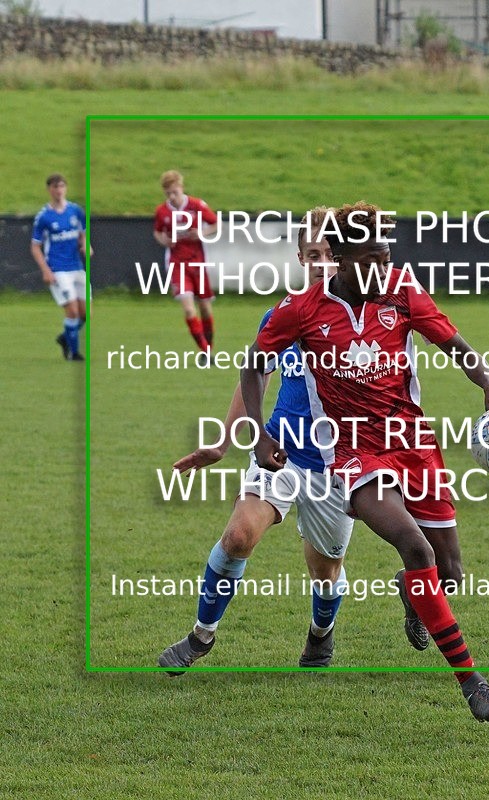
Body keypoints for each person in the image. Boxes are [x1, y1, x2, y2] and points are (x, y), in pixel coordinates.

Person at [243, 202, 489, 722]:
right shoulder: (302, 309)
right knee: (415, 547)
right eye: (372, 260)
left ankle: (412, 593)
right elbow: (254, 365)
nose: (383, 269)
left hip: (413, 445)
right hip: (352, 452)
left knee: (448, 572)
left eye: (386, 258)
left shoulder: (402, 290)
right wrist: (258, 433)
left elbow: (454, 343)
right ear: (342, 258)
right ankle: (473, 685)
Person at [159, 207, 354, 671]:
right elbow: (256, 375)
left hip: (337, 465)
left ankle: (320, 635)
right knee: (238, 536)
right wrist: (224, 442)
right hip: (279, 453)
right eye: (313, 255)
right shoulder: (282, 315)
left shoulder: (364, 319)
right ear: (300, 258)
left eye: (330, 254)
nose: (322, 264)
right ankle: (201, 635)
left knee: (325, 570)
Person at [153, 171, 219, 362]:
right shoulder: (162, 211)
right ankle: (205, 351)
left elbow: (215, 224)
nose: (172, 197)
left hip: (198, 263)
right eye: (168, 194)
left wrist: (201, 233)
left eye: (175, 192)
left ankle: (208, 350)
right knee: (189, 310)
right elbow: (157, 232)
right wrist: (164, 240)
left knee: (205, 308)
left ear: (181, 188)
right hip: (177, 265)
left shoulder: (196, 206)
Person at [30, 173, 88, 361]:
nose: (59, 190)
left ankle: (65, 338)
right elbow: (35, 246)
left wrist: (86, 244)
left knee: (86, 314)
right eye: (55, 187)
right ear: (49, 190)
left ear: (66, 188)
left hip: (77, 267)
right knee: (72, 312)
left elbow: (83, 233)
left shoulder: (75, 211)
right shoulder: (44, 217)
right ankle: (74, 354)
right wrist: (46, 271)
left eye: (62, 186)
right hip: (58, 269)